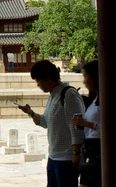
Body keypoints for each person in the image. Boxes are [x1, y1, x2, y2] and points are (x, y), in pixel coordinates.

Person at [18, 59, 85, 187]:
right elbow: (45, 122)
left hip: (67, 158)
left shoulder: (68, 94)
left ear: (48, 78)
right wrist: (31, 113)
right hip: (53, 156)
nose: (38, 84)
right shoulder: (53, 96)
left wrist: (76, 153)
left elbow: (76, 125)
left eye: (39, 81)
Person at [72, 60, 101, 187]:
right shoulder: (94, 99)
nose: (84, 81)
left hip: (98, 148)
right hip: (88, 148)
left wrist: (87, 124)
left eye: (86, 76)